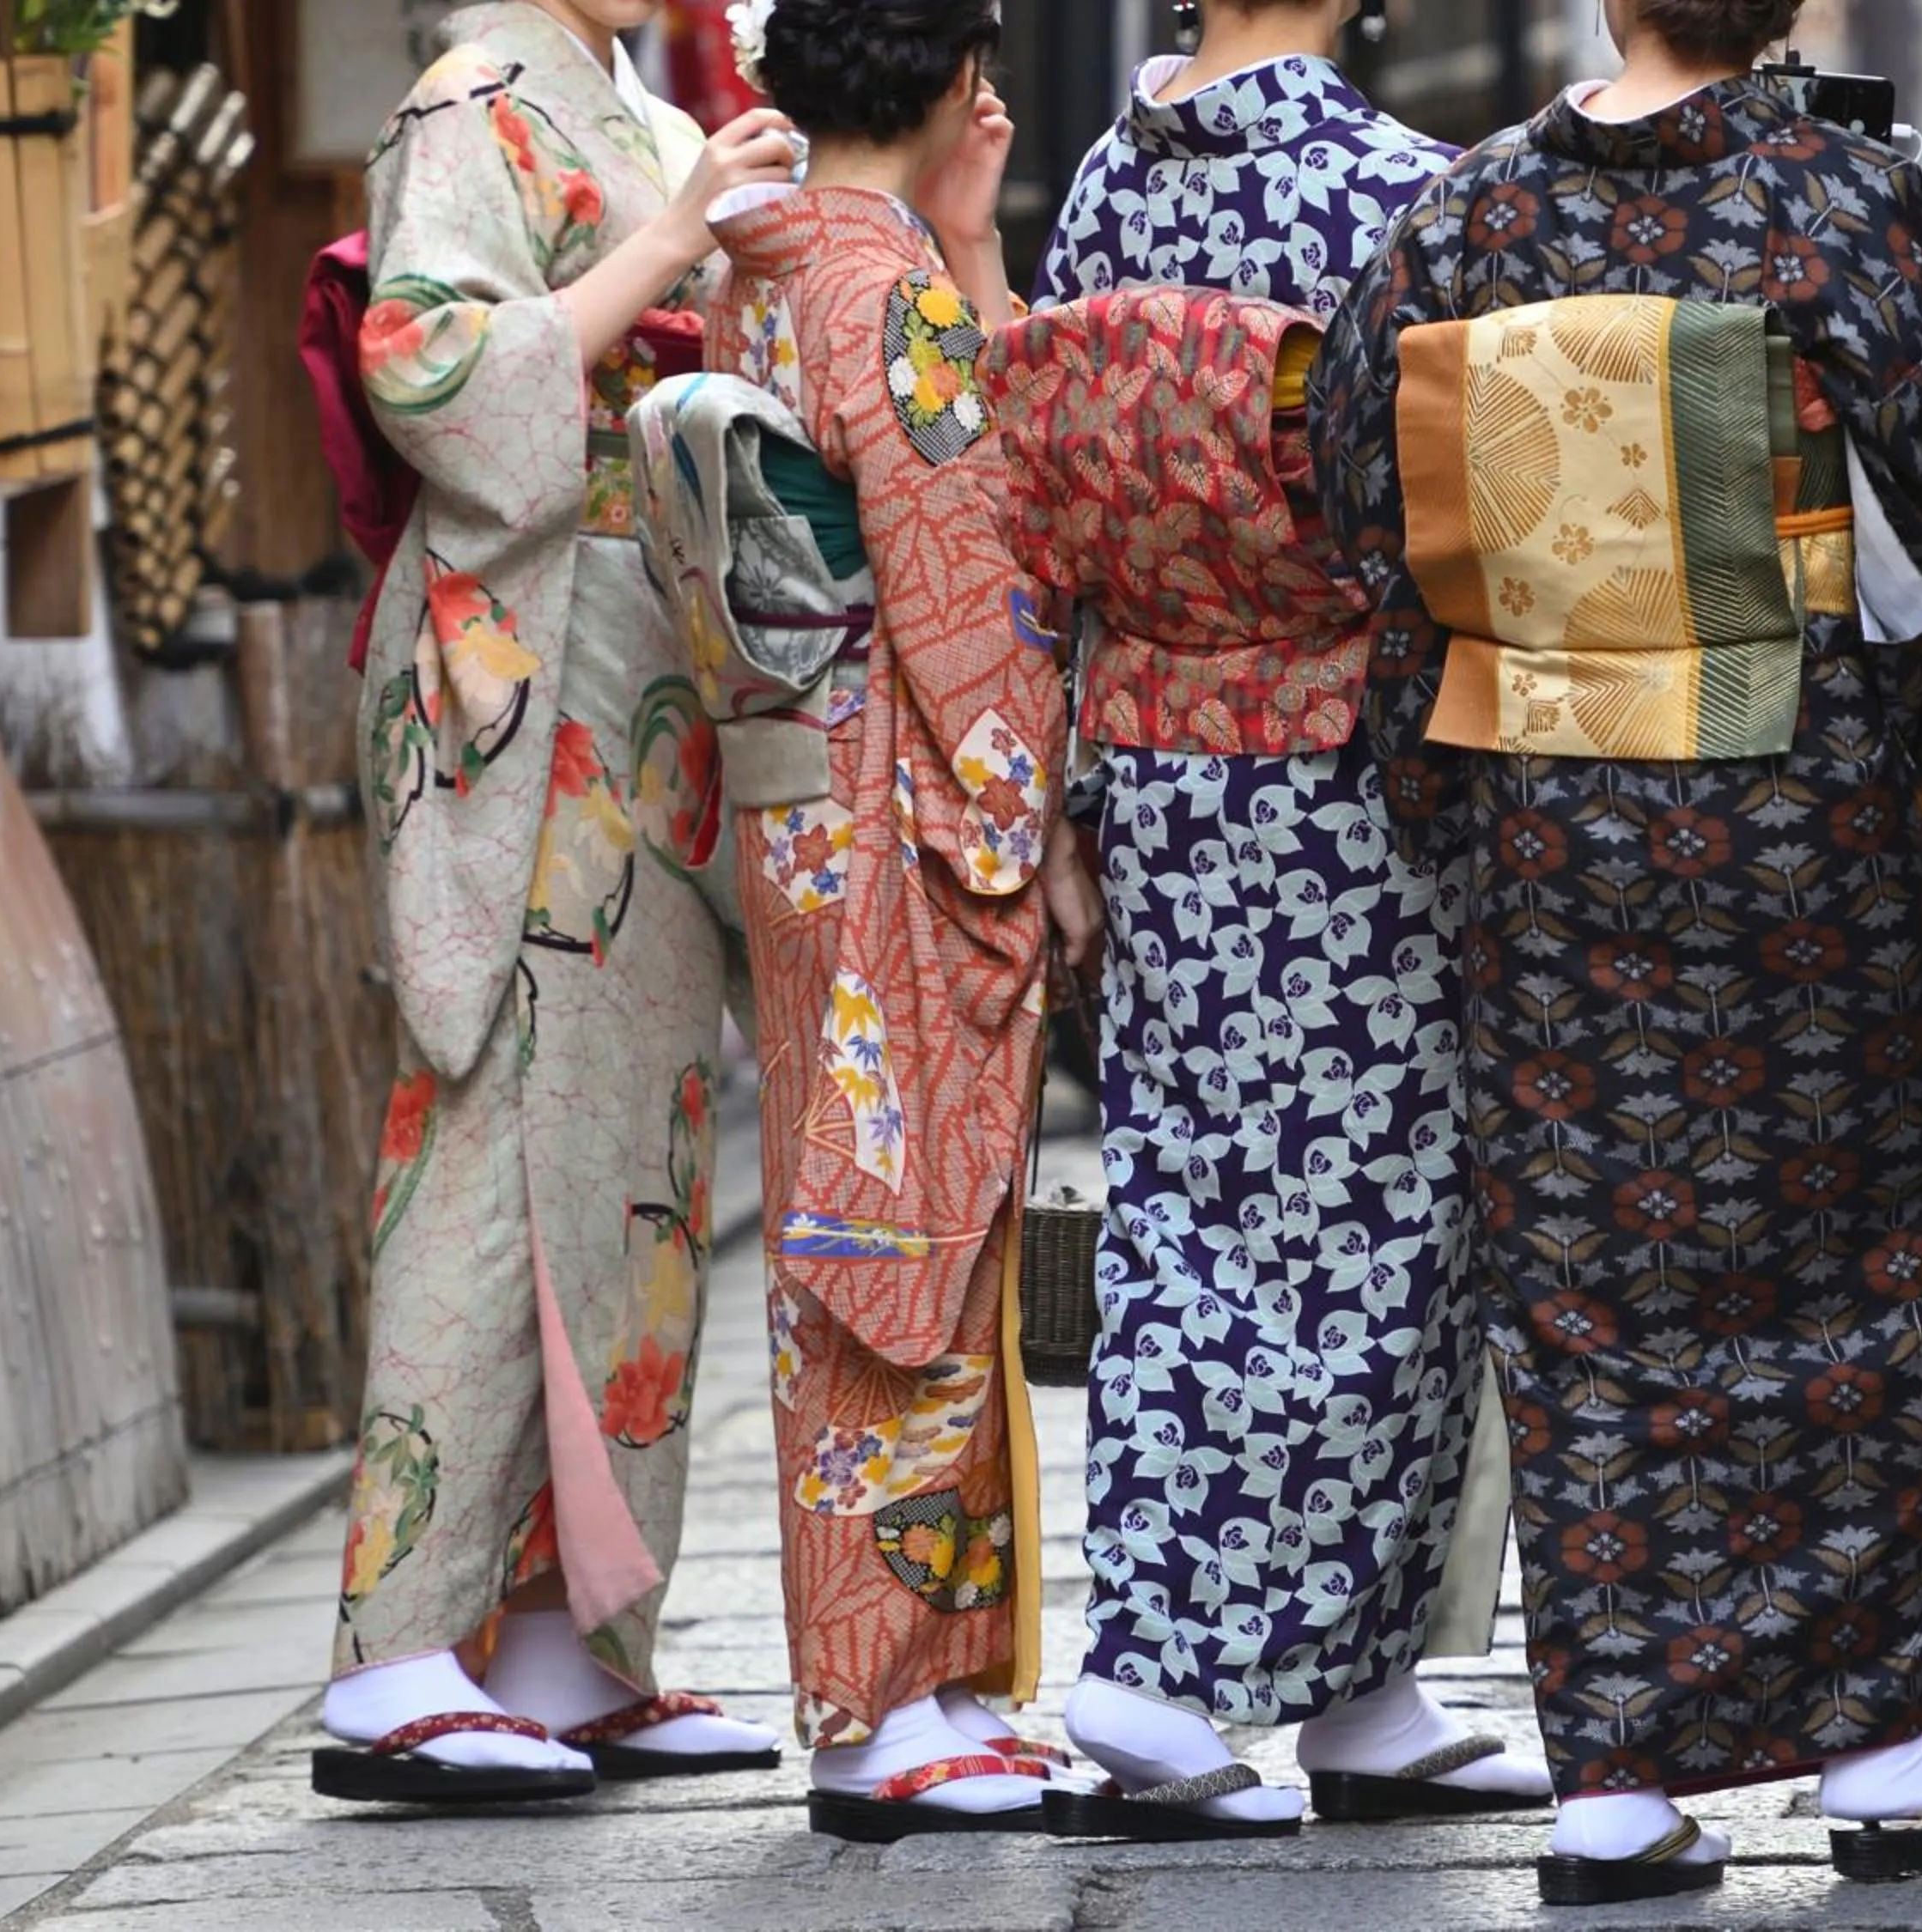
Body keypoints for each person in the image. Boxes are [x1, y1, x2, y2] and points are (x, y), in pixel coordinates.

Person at [1310, 0, 1922, 1901]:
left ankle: (1615, 1781)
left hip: (1554, 820)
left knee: (1589, 1274)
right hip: (1792, 801)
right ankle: (1881, 1753)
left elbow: (1354, 490)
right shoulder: (1835, 196)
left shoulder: (1463, 222)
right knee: (1840, 1250)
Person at [1011, 0, 1549, 1838]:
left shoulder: (1096, 190)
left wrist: (1066, 788)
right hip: (1337, 772)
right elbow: (1449, 517)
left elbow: (1050, 511)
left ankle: (1356, 1683)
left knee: (1198, 1200)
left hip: (1157, 753)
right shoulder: (1395, 197)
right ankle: (1157, 1676)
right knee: (1378, 1224)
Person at [318, 0, 802, 1805]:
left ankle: (566, 1641)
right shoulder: (477, 93)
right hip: (518, 661)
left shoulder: (618, 102)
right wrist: (672, 250)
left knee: (640, 1152)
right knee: (496, 1130)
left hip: (636, 652)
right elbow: (429, 371)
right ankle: (392, 1650)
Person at [656, 0, 1096, 1842]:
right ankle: (875, 1701)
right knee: (897, 1245)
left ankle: (918, 1685)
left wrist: (974, 227)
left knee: (867, 1222)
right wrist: (1035, 819)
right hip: (903, 800)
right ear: (941, 83)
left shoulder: (763, 253)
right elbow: (957, 592)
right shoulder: (880, 293)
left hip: (797, 792)